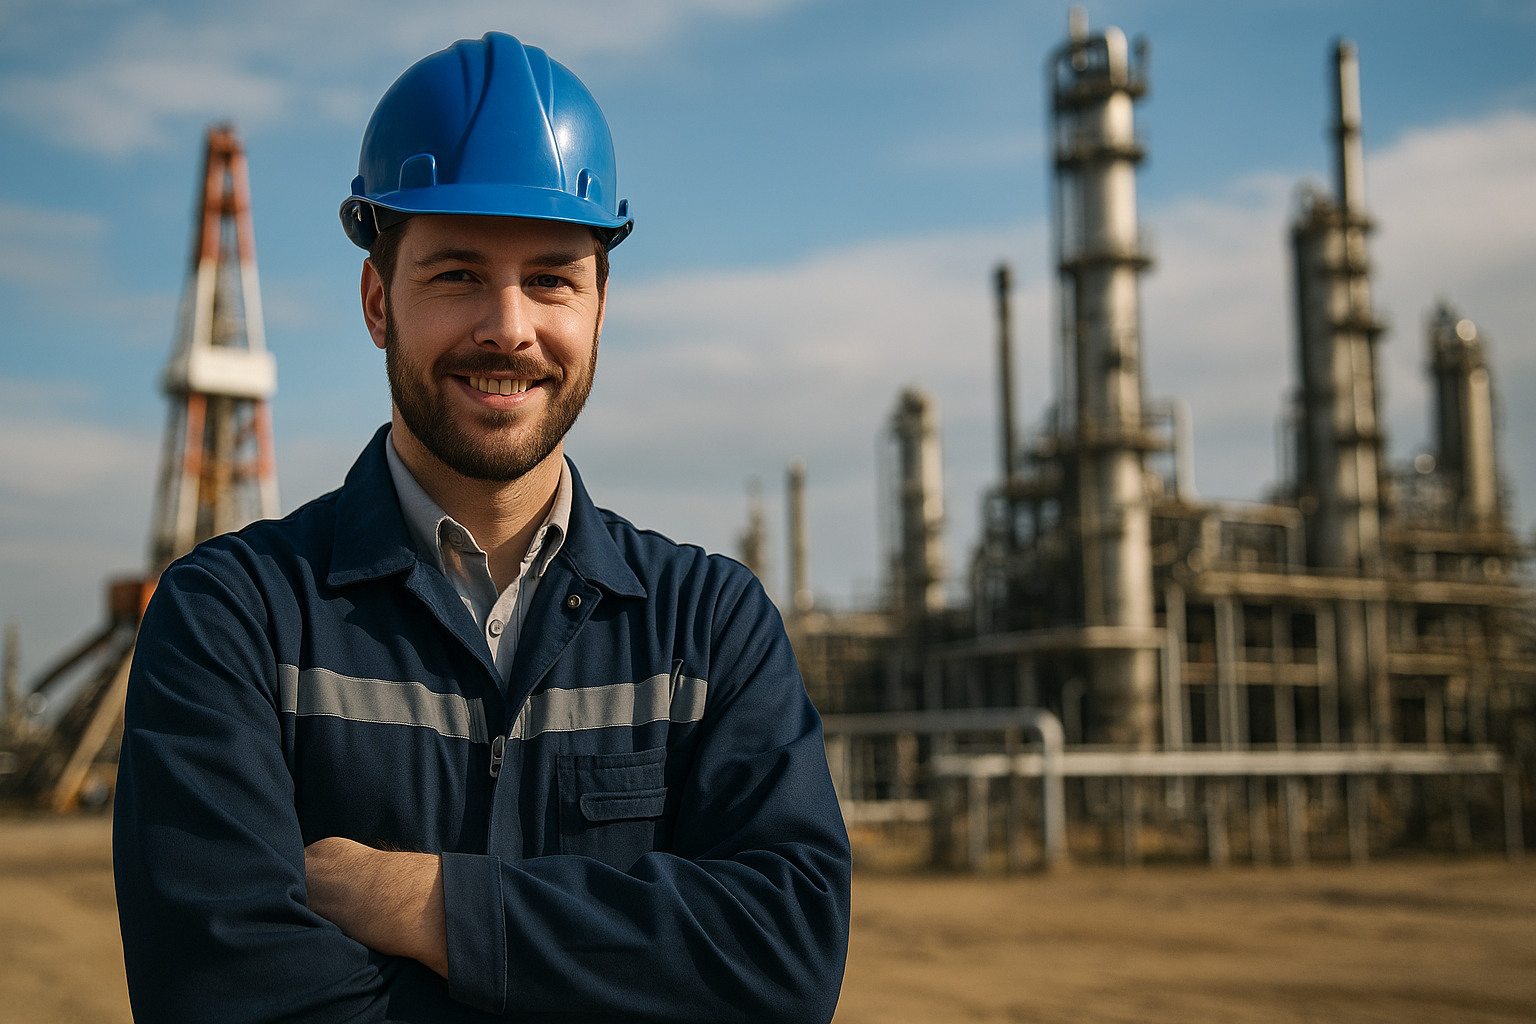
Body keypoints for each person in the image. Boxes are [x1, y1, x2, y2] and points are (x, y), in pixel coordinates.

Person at [113, 32, 850, 1024]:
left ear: (599, 306)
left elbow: (787, 958)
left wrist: (433, 905)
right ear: (379, 301)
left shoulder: (709, 628)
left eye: (551, 279)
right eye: (457, 274)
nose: (509, 326)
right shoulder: (233, 621)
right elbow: (225, 994)